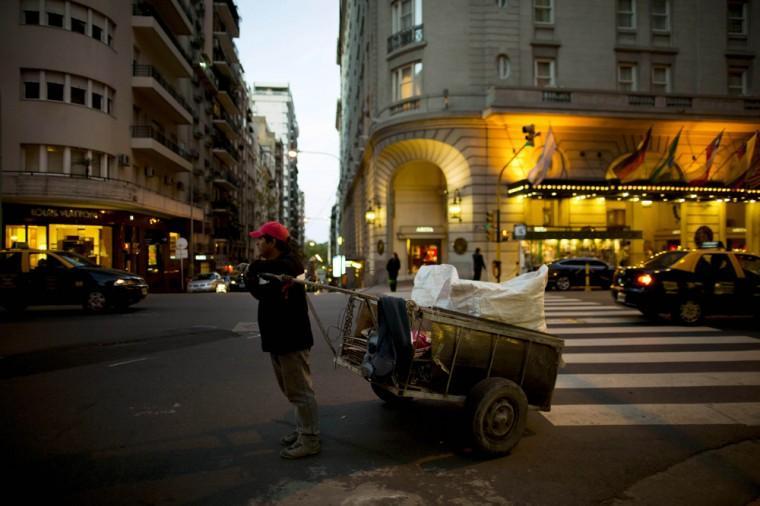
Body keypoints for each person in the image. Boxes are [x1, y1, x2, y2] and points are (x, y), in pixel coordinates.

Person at [245, 221, 320, 459]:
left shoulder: (289, 264)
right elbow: (262, 294)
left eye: (260, 239)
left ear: (273, 242)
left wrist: (255, 267)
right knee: (291, 390)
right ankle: (302, 430)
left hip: (292, 339)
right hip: (277, 339)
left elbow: (283, 267)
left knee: (301, 391)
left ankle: (310, 439)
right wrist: (250, 277)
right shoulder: (273, 268)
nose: (257, 243)